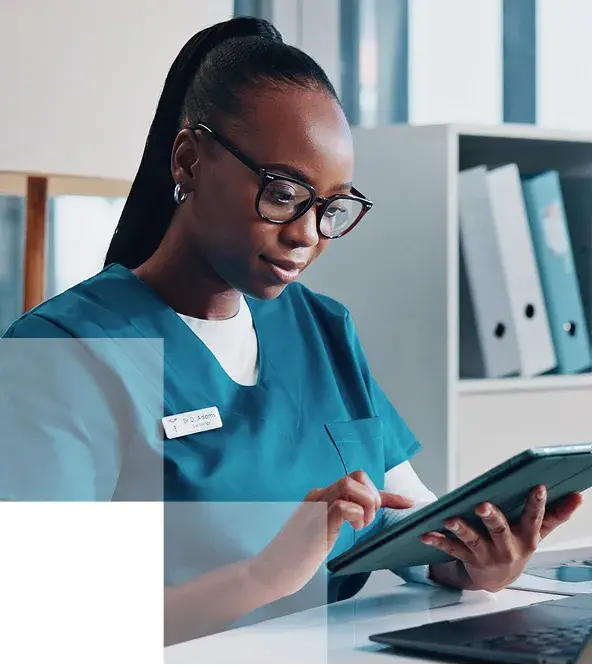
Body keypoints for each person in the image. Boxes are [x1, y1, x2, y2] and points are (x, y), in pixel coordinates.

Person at [0, 16, 582, 646]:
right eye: (284, 194)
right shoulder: (66, 351)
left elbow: (411, 528)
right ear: (190, 161)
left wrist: (476, 560)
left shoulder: (320, 327)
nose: (307, 233)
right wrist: (262, 576)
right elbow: (41, 625)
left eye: (330, 207)